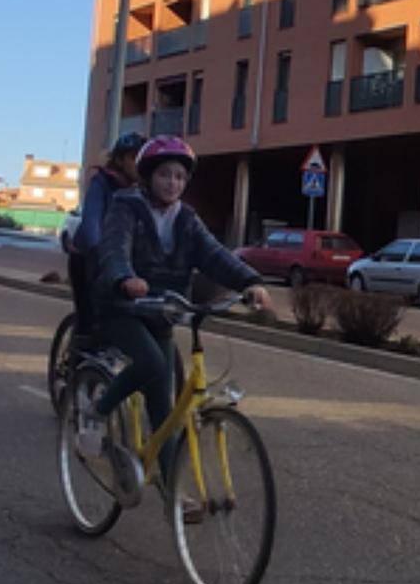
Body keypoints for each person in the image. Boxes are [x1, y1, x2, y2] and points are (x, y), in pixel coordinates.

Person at [88, 136, 269, 496]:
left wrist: (250, 282)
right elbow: (113, 247)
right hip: (119, 307)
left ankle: (172, 492)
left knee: (165, 408)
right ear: (147, 177)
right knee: (154, 365)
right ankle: (97, 411)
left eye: (180, 177)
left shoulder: (186, 218)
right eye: (165, 175)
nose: (173, 183)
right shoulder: (126, 205)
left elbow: (214, 254)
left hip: (163, 312)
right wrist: (125, 277)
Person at [65, 132, 146, 348]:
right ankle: (77, 364)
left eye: (142, 159)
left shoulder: (142, 191)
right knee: (89, 315)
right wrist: (99, 249)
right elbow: (92, 221)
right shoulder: (101, 182)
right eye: (133, 158)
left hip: (122, 261)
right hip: (88, 256)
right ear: (119, 160)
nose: (139, 164)